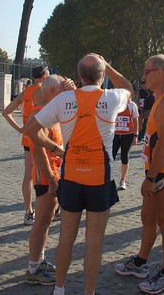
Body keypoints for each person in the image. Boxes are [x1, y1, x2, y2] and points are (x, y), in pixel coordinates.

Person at [24, 53, 131, 295]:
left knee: (66, 238)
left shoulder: (64, 100)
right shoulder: (112, 97)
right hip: (100, 179)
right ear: (102, 75)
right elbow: (128, 87)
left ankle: (59, 289)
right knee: (94, 242)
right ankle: (88, 292)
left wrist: (55, 148)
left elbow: (31, 129)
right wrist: (108, 68)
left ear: (80, 75)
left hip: (71, 176)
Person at [114, 54, 164, 294]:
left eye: (146, 71)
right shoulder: (159, 99)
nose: (143, 76)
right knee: (148, 219)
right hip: (155, 170)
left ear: (160, 73)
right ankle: (141, 262)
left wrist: (151, 178)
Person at [23, 74, 73, 286]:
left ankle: (38, 262)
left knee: (45, 221)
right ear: (53, 92)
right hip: (46, 175)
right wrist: (52, 180)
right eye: (62, 89)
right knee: (42, 221)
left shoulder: (49, 111)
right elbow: (38, 152)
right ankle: (34, 267)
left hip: (51, 173)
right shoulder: (40, 113)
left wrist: (71, 90)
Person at [2, 65, 49, 226]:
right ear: (44, 75)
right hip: (44, 136)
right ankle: (51, 209)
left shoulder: (26, 92)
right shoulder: (46, 90)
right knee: (49, 173)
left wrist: (20, 129)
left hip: (28, 137)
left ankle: (29, 212)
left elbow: (6, 112)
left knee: (28, 176)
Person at [113, 96, 139, 190]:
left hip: (128, 135)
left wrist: (136, 135)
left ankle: (123, 180)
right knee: (110, 157)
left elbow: (136, 120)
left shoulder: (132, 105)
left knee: (125, 157)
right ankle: (109, 179)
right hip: (115, 134)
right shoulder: (116, 104)